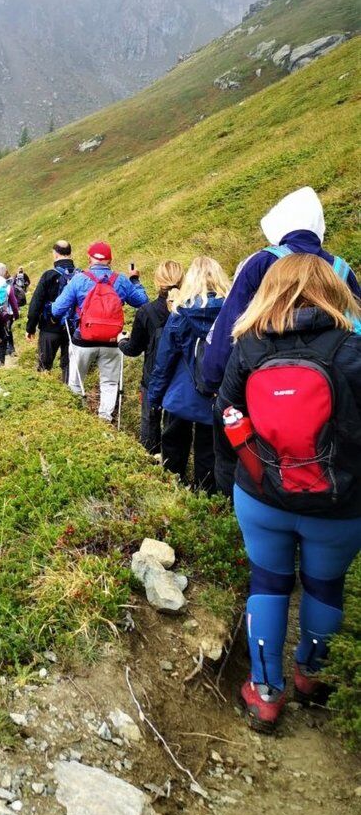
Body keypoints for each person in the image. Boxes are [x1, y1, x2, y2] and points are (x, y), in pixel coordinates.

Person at [217, 254, 361, 732]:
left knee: (269, 582)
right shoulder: (352, 349)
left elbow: (226, 411)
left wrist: (247, 466)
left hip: (262, 494)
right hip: (340, 503)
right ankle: (312, 675)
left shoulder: (249, 346)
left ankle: (264, 692)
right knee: (325, 586)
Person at [201, 186, 361, 494]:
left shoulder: (261, 263)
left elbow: (229, 328)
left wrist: (212, 381)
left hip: (264, 387)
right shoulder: (341, 268)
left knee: (260, 466)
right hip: (333, 390)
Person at [147, 257, 231, 492]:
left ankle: (173, 492)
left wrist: (155, 397)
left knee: (173, 448)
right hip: (217, 395)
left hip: (181, 394)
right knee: (210, 452)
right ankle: (206, 498)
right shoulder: (234, 314)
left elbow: (163, 363)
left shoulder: (180, 314)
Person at [51, 240, 148, 423]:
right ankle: (104, 419)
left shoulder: (79, 279)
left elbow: (57, 309)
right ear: (110, 260)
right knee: (110, 383)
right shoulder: (120, 280)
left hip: (84, 340)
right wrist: (135, 280)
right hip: (112, 341)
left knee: (76, 382)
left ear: (89, 258)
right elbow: (142, 301)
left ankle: (77, 419)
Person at [118, 259, 184, 455]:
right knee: (175, 426)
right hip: (180, 378)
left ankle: (150, 462)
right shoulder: (190, 308)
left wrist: (121, 341)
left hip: (152, 377)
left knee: (150, 420)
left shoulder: (146, 312)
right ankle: (173, 467)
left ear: (157, 282)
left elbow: (134, 349)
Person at [26, 241, 77, 380]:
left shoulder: (49, 275)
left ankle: (44, 393)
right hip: (73, 328)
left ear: (55, 254)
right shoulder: (81, 276)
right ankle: (69, 393)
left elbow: (36, 303)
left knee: (44, 364)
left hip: (49, 328)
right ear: (70, 253)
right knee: (69, 365)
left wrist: (30, 328)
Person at [0, 262, 20, 367]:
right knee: (1, 342)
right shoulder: (7, 285)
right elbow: (14, 303)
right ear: (3, 272)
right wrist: (16, 315)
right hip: (3, 318)